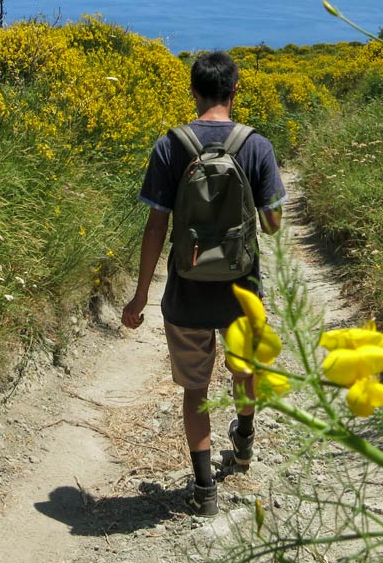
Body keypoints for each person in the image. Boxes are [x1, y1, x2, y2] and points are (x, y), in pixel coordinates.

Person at [122, 50, 287, 517]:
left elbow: (155, 227)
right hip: (241, 290)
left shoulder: (169, 146)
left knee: (195, 390)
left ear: (193, 91)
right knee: (244, 370)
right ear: (236, 91)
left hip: (187, 290)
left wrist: (139, 295)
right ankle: (245, 438)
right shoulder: (256, 146)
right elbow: (273, 224)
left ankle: (204, 490)